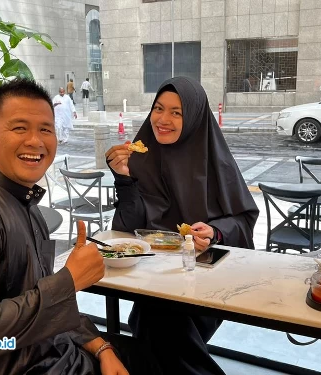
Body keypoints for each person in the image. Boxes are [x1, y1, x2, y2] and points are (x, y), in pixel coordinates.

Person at [0, 78, 162, 375]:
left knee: (152, 355)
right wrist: (68, 281)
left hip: (52, 354)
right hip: (23, 367)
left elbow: (48, 307)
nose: (35, 142)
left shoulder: (25, 204)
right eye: (19, 128)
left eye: (45, 130)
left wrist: (100, 346)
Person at [105, 76, 259, 375]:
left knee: (155, 322)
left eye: (177, 112)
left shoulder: (215, 161)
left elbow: (244, 219)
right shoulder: (140, 157)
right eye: (158, 108)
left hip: (204, 278)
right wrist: (123, 178)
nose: (163, 120)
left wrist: (215, 232)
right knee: (157, 325)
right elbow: (126, 228)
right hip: (153, 274)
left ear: (194, 118)